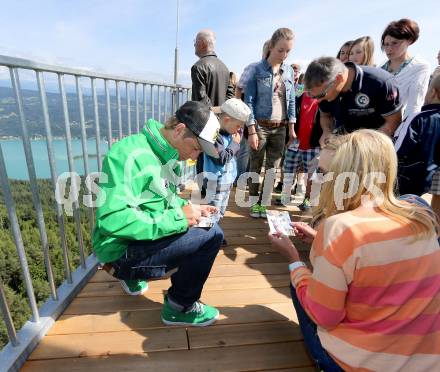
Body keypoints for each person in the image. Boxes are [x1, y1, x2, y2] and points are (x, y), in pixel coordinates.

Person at [269, 129, 440, 371]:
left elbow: (326, 316)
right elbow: (380, 258)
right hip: (427, 360)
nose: (314, 179)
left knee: (298, 281)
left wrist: (295, 260)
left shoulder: (339, 227)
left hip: (361, 363)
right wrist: (321, 240)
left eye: (323, 173)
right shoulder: (421, 216)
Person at [93, 101, 224, 327]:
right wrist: (179, 218)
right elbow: (112, 220)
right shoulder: (129, 155)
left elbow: (163, 198)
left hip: (132, 244)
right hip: (119, 254)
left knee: (201, 224)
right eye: (195, 149)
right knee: (212, 234)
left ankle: (133, 279)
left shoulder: (165, 156)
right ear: (180, 130)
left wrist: (191, 211)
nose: (194, 157)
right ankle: (179, 307)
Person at [245, 28, 296, 218]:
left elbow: (291, 101)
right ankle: (253, 202)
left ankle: (263, 203)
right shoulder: (256, 70)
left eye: (288, 51)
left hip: (280, 128)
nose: (284, 55)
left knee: (273, 169)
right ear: (271, 46)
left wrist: (291, 127)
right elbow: (248, 101)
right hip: (260, 126)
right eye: (280, 50)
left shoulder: (288, 70)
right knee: (255, 166)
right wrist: (251, 130)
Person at [304, 57, 402, 147]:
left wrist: (358, 145)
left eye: (321, 96)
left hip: (375, 147)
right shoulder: (323, 90)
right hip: (343, 146)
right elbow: (325, 115)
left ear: (338, 79)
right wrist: (327, 131)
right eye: (314, 97)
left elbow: (393, 122)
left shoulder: (381, 83)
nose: (319, 100)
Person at [204, 98, 251, 244]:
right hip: (215, 183)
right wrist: (235, 144)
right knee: (212, 211)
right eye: (237, 126)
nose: (239, 130)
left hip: (226, 182)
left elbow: (239, 129)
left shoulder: (230, 130)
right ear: (226, 120)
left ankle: (214, 233)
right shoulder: (214, 135)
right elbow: (221, 158)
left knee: (220, 211)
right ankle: (206, 238)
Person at [191, 29, 234, 185]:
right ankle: (215, 191)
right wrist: (222, 114)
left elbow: (201, 102)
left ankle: (204, 195)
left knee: (202, 159)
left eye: (195, 42)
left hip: (205, 124)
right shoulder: (224, 66)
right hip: (223, 124)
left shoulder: (198, 67)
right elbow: (230, 97)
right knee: (217, 158)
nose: (194, 45)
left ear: (202, 43)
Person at [395, 74, 440, 201]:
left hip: (406, 189)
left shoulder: (418, 119)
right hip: (431, 192)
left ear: (432, 93)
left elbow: (395, 152)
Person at [234, 40, 271, 185]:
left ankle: (248, 178)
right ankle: (241, 178)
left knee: (254, 149)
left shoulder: (278, 70)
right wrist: (238, 109)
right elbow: (239, 88)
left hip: (264, 118)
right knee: (245, 149)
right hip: (248, 114)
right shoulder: (253, 68)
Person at [278, 91, 321, 210]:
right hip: (295, 142)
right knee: (288, 170)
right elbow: (290, 119)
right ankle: (285, 195)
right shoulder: (297, 99)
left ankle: (307, 198)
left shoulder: (324, 100)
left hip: (314, 144)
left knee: (312, 175)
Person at [381, 18, 431, 119]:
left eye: (395, 43)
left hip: (398, 127)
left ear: (409, 41)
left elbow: (414, 105)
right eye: (386, 44)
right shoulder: (380, 69)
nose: (389, 49)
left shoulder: (420, 67)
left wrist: (404, 133)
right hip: (370, 127)